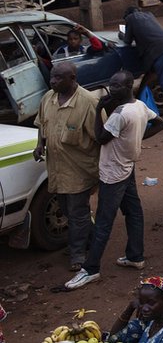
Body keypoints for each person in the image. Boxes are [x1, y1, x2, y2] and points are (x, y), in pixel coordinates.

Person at [65, 71, 163, 290]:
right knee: (134, 212)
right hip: (127, 166)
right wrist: (135, 139)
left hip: (112, 173)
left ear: (129, 86)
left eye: (117, 86)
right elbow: (160, 123)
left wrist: (99, 108)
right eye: (111, 84)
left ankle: (90, 269)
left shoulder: (119, 114)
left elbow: (100, 138)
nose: (112, 89)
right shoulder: (138, 106)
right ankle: (135, 256)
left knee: (103, 221)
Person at [34, 62, 100, 272]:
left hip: (79, 170)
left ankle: (77, 254)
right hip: (57, 169)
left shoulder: (88, 102)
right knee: (67, 210)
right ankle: (91, 238)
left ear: (72, 78)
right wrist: (40, 144)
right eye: (52, 77)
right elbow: (41, 125)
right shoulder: (48, 98)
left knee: (77, 212)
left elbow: (100, 137)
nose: (52, 81)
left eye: (58, 78)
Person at [107, 275, 163, 342]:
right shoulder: (151, 318)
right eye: (141, 301)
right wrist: (130, 308)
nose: (144, 308)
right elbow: (114, 338)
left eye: (151, 303)